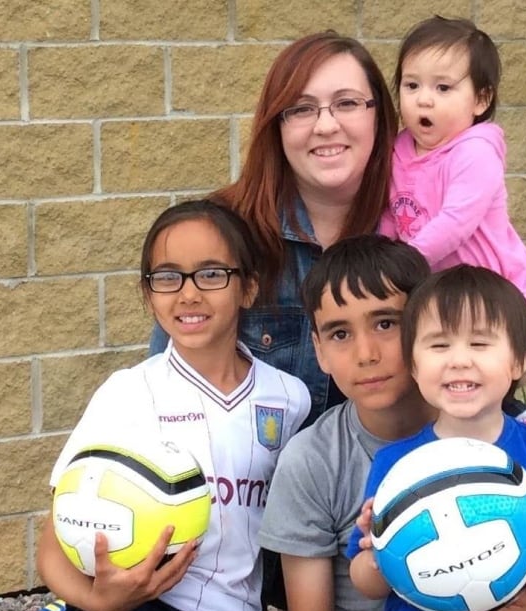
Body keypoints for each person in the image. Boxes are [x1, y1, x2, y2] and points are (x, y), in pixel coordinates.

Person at [259, 236, 526, 611]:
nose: (366, 354)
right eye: (340, 333)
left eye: (385, 324)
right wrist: (379, 552)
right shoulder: (349, 462)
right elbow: (336, 601)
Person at [37, 199, 311, 611]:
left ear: (249, 287)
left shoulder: (289, 398)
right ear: (149, 295)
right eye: (168, 276)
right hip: (137, 607)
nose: (188, 293)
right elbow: (52, 545)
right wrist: (97, 602)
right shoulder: (128, 392)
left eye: (211, 273)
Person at [149, 31, 399, 428]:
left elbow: (523, 320)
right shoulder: (223, 232)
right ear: (276, 126)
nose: (326, 125)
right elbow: (162, 388)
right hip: (241, 484)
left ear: (379, 116)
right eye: (301, 109)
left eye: (347, 103)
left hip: (388, 480)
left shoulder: (421, 224)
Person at [348, 265, 526, 611]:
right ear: (415, 366)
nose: (459, 360)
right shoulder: (398, 465)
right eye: (439, 345)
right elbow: (366, 584)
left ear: (518, 361)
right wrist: (376, 553)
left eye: (480, 343)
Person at [378, 16, 526, 388]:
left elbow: (456, 222)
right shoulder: (399, 150)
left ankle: (516, 421)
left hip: (496, 293)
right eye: (411, 85)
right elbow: (391, 216)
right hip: (443, 296)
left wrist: (399, 267)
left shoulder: (475, 152)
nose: (424, 98)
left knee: (486, 378)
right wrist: (379, 256)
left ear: (481, 99)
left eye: (443, 88)